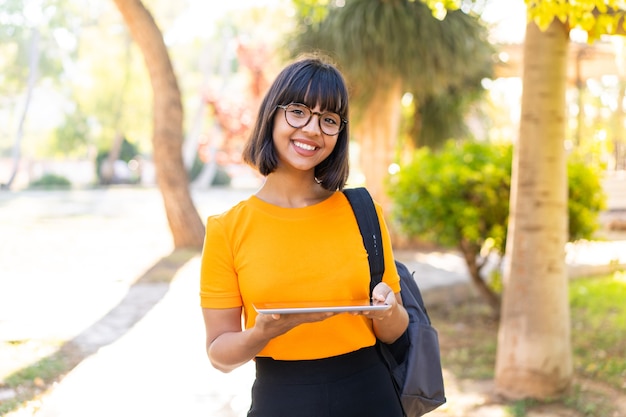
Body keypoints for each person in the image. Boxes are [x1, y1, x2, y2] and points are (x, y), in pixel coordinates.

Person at [200, 55, 409, 417]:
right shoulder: (227, 228)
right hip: (282, 399)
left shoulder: (362, 211)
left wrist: (388, 310)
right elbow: (220, 354)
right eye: (298, 111)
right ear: (272, 116)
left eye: (328, 120)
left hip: (371, 394)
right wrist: (261, 333)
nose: (313, 129)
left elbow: (394, 330)